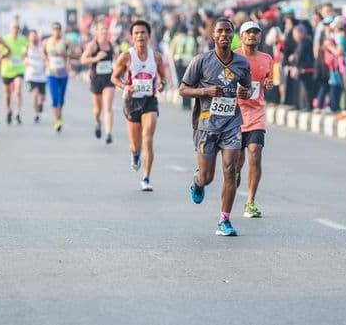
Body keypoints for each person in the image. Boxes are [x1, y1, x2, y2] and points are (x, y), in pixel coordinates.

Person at [179, 18, 252, 237]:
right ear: (213, 35)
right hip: (206, 125)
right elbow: (183, 89)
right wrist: (205, 92)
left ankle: (224, 220)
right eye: (220, 31)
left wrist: (245, 93)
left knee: (231, 170)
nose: (224, 35)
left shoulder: (241, 63)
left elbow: (247, 87)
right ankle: (197, 181)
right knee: (208, 177)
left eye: (228, 32)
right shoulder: (201, 61)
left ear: (233, 35)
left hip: (231, 124)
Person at [111, 20, 166, 191]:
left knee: (147, 138)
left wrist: (162, 85)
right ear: (132, 37)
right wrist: (124, 87)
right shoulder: (126, 56)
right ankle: (135, 155)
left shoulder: (156, 57)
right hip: (132, 101)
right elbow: (114, 78)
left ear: (149, 36)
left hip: (150, 100)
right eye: (136, 33)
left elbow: (163, 78)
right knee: (135, 144)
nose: (140, 36)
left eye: (143, 33)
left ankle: (146, 178)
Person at [234, 21, 273, 218]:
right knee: (238, 160)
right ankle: (237, 173)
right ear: (241, 37)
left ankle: (250, 201)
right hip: (235, 115)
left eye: (256, 33)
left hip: (256, 114)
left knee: (255, 153)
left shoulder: (267, 58)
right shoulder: (233, 57)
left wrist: (268, 83)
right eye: (248, 33)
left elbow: (267, 81)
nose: (252, 36)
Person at [81, 22, 116, 143]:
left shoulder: (111, 45)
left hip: (109, 80)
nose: (104, 31)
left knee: (108, 107)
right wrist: (96, 58)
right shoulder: (92, 46)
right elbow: (83, 59)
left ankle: (108, 133)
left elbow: (116, 59)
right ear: (97, 31)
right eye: (102, 29)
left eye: (106, 29)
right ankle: (97, 121)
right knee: (97, 109)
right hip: (96, 79)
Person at [43, 22, 71, 132]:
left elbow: (71, 54)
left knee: (61, 98)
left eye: (58, 29)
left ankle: (60, 115)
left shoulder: (65, 42)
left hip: (63, 73)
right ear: (52, 30)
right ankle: (57, 120)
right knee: (55, 97)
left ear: (61, 30)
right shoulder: (47, 42)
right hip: (51, 74)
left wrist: (63, 55)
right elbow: (43, 54)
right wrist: (46, 62)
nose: (56, 31)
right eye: (54, 29)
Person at [0, 22, 29, 124]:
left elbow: (26, 51)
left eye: (17, 28)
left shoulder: (23, 39)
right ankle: (8, 110)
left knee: (18, 91)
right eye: (13, 28)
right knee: (7, 94)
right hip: (7, 70)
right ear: (10, 29)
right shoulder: (5, 39)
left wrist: (26, 53)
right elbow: (0, 53)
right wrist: (6, 53)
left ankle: (17, 113)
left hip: (18, 69)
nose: (15, 30)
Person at [24, 30, 47, 124]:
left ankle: (40, 104)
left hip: (41, 75)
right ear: (29, 37)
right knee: (34, 94)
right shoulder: (26, 47)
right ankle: (36, 114)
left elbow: (46, 57)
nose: (33, 38)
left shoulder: (41, 47)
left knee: (42, 97)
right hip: (30, 76)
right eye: (32, 36)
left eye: (35, 36)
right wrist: (24, 61)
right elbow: (23, 59)